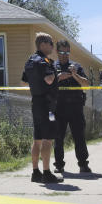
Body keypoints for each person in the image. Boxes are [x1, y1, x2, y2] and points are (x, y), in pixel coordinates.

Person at [22, 33, 63, 184]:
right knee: (47, 139)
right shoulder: (44, 62)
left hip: (36, 103)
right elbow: (49, 79)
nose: (53, 46)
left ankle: (35, 172)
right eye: (51, 43)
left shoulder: (30, 61)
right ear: (43, 44)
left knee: (37, 139)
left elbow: (24, 82)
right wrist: (55, 76)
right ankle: (46, 173)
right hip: (47, 105)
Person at [53, 40, 92, 174]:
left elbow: (86, 84)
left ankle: (83, 164)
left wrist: (75, 75)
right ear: (57, 52)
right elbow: (45, 85)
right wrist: (58, 78)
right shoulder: (52, 66)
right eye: (62, 52)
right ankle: (59, 165)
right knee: (58, 138)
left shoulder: (76, 66)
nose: (65, 55)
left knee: (79, 137)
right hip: (59, 108)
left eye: (67, 52)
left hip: (75, 108)